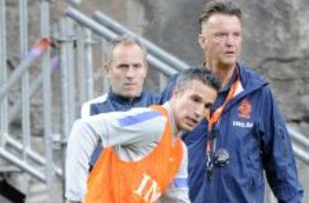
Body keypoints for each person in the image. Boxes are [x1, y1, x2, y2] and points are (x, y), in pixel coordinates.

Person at [160, 1, 303, 202]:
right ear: (203, 41)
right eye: (221, 35)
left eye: (236, 35)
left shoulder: (258, 92)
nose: (230, 42)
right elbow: (155, 148)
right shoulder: (179, 89)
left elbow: (282, 163)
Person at [65, 67, 221, 203]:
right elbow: (84, 128)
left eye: (207, 106)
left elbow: (178, 199)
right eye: (195, 99)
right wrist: (75, 197)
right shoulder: (154, 121)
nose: (199, 111)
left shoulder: (180, 151)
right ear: (176, 93)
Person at [80, 36, 159, 168]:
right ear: (107, 70)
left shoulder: (160, 106)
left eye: (136, 66)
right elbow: (97, 163)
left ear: (145, 70)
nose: (130, 74)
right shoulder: (92, 109)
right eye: (123, 67)